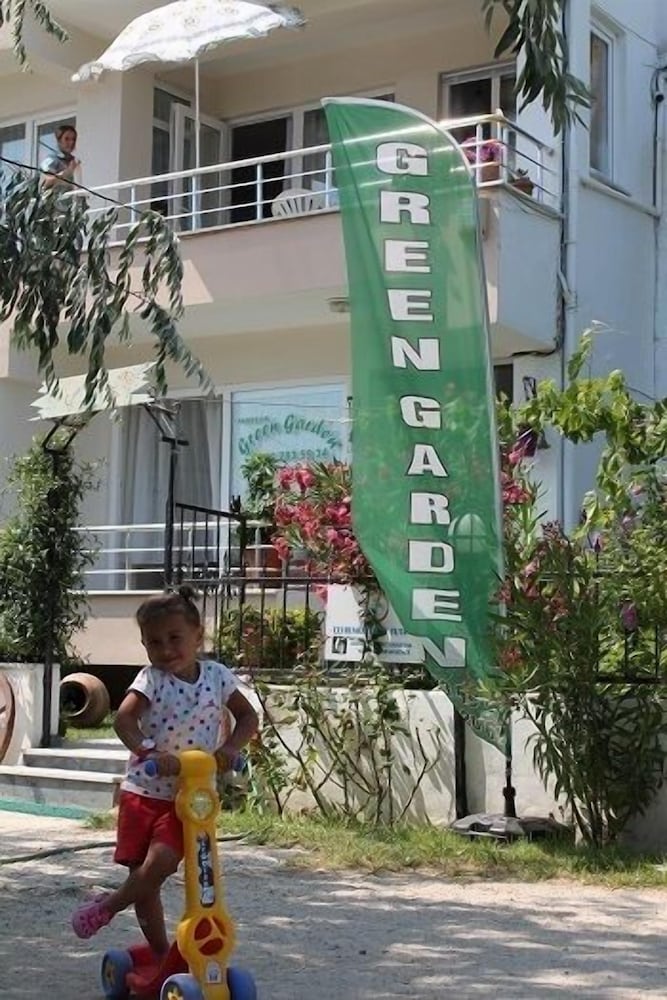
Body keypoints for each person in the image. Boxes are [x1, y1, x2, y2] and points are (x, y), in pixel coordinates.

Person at [70, 586, 259, 956]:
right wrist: (150, 751)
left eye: (175, 638)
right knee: (143, 879)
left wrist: (231, 748)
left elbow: (247, 716)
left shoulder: (217, 677)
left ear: (197, 636)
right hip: (144, 792)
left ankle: (107, 907)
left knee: (161, 864)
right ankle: (159, 954)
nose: (166, 649)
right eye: (154, 642)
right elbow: (124, 720)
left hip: (190, 797)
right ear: (144, 645)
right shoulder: (151, 679)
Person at [40, 124, 81, 191]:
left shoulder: (73, 161)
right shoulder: (51, 160)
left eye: (73, 139)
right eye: (66, 139)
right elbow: (45, 184)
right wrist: (67, 172)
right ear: (59, 140)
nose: (71, 142)